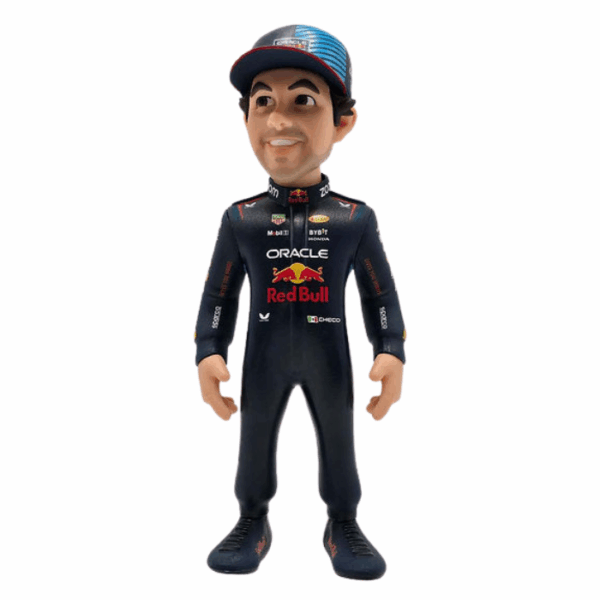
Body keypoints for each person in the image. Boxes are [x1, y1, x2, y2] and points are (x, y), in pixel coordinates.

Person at [194, 25, 407, 580]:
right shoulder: (241, 219)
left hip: (328, 356)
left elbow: (379, 292)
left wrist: (391, 349)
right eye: (263, 102)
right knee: (254, 440)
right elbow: (219, 293)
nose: (278, 122)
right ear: (245, 119)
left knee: (339, 440)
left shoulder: (352, 219)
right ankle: (251, 520)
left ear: (342, 122)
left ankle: (344, 523)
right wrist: (208, 350)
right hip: (262, 357)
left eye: (304, 101)